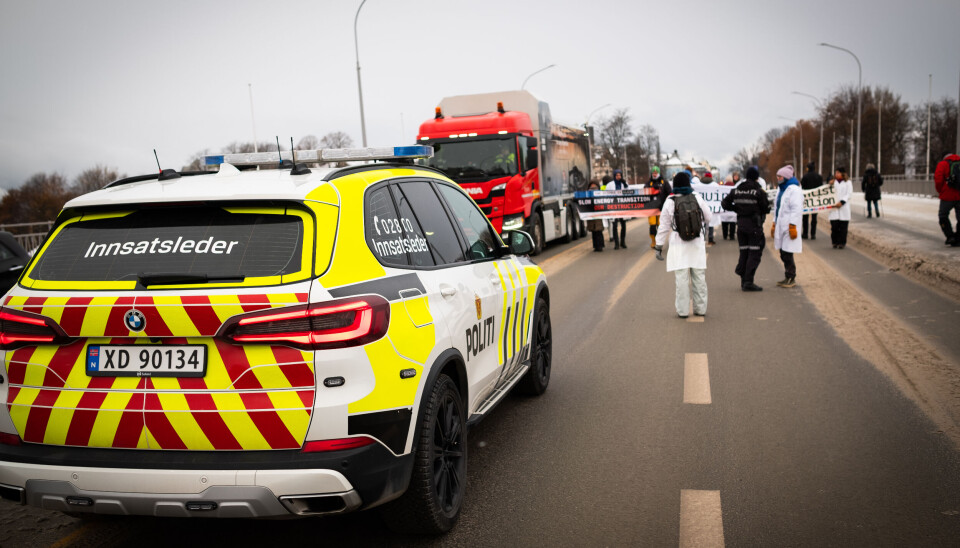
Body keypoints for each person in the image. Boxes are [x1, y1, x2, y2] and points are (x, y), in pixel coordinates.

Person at [654, 172, 712, 318]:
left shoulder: (670, 201)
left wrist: (659, 245)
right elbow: (708, 217)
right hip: (696, 244)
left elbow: (663, 226)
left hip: (678, 245)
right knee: (699, 278)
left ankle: (683, 311)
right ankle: (701, 309)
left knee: (681, 280)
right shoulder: (697, 197)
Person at [721, 166, 769, 291]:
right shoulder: (758, 191)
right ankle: (748, 281)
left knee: (744, 252)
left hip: (741, 226)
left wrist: (736, 209)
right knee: (754, 253)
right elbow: (765, 208)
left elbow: (724, 203)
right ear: (756, 178)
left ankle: (743, 279)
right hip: (754, 226)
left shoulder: (737, 190)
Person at [771, 165, 802, 288]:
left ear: (786, 177)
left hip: (789, 225)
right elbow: (777, 207)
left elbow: (796, 209)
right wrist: (774, 222)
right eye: (777, 176)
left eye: (780, 176)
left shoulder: (794, 190)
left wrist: (793, 225)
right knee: (783, 252)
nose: (778, 178)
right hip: (781, 223)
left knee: (787, 252)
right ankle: (787, 276)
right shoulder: (781, 189)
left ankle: (791, 277)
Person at [933, 152, 960, 246]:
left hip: (947, 196)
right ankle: (959, 237)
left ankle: (950, 236)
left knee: (943, 216)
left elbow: (938, 179)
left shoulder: (943, 164)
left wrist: (940, 190)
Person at [644, 166, 672, 248]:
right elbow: (644, 192)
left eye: (656, 172)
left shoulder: (664, 182)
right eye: (653, 172)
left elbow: (669, 192)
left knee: (660, 226)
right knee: (652, 226)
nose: (654, 174)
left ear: (659, 173)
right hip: (652, 208)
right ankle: (654, 241)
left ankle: (660, 242)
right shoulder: (648, 183)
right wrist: (651, 188)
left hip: (661, 208)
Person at [828, 166, 852, 249]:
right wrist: (829, 184)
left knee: (843, 228)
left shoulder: (848, 183)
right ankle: (835, 242)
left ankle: (842, 242)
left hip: (843, 207)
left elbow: (849, 194)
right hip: (834, 208)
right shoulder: (833, 183)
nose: (836, 174)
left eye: (838, 172)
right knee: (834, 227)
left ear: (842, 174)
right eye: (836, 173)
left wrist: (842, 202)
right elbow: (826, 193)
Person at [800, 162, 823, 239]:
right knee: (814, 218)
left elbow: (802, 187)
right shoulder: (819, 177)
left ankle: (805, 233)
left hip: (807, 200)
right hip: (815, 200)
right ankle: (813, 233)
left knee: (805, 217)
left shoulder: (805, 176)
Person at [606, 170, 629, 249]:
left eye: (620, 175)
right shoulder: (610, 185)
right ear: (614, 176)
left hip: (622, 206)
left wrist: (625, 184)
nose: (619, 177)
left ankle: (623, 242)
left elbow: (629, 192)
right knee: (614, 225)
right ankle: (616, 243)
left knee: (623, 224)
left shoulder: (624, 184)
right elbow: (606, 194)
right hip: (614, 206)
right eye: (617, 175)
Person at [700, 171, 720, 246]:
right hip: (712, 208)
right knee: (711, 223)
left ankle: (703, 239)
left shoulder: (699, 184)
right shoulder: (715, 185)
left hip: (702, 207)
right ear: (711, 177)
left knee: (703, 224)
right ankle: (710, 239)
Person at [719, 171, 740, 240]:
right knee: (732, 223)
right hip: (732, 208)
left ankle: (725, 235)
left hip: (724, 208)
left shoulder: (722, 187)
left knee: (724, 223)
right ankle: (732, 235)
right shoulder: (735, 187)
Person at [586, 179, 605, 252]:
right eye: (591, 187)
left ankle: (600, 245)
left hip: (598, 213)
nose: (593, 189)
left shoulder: (600, 193)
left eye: (594, 187)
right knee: (594, 231)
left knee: (598, 230)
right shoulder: (587, 194)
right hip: (591, 213)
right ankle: (596, 246)